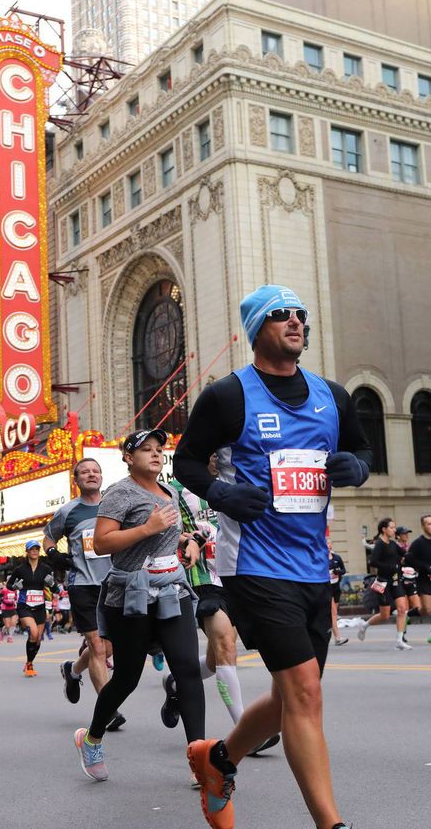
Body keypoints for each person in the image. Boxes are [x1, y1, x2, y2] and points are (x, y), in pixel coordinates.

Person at [174, 284, 371, 829]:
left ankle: (218, 760)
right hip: (254, 565)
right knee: (305, 692)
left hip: (312, 564)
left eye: (300, 315)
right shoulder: (229, 396)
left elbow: (361, 449)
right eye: (281, 316)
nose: (295, 322)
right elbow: (185, 464)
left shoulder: (332, 395)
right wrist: (222, 493)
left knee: (292, 698)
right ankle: (331, 823)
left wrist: (356, 467)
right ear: (256, 328)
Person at [73, 428, 204, 782]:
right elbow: (101, 543)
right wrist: (147, 527)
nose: (156, 454)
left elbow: (170, 534)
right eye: (145, 449)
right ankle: (92, 737)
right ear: (129, 458)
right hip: (129, 597)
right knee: (127, 679)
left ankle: (199, 759)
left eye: (159, 449)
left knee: (188, 671)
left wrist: (187, 542)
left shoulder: (169, 492)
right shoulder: (120, 492)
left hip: (172, 592)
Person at [168, 465, 279, 756]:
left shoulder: (238, 483)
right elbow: (165, 530)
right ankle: (246, 732)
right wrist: (187, 539)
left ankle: (176, 683)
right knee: (225, 644)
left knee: (217, 660)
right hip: (203, 580)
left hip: (236, 577)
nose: (218, 455)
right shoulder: (177, 490)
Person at [49, 458, 125, 732]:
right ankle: (109, 710)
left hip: (115, 582)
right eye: (85, 472)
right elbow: (48, 537)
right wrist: (53, 554)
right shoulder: (68, 511)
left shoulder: (115, 505)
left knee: (110, 646)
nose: (91, 475)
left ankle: (72, 670)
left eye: (96, 471)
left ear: (101, 476)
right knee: (96, 645)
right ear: (76, 479)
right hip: (82, 584)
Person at [355, 518, 411, 650]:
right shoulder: (380, 544)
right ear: (384, 530)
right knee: (384, 615)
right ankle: (364, 625)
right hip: (383, 582)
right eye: (391, 527)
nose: (394, 530)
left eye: (394, 527)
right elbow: (373, 562)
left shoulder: (393, 544)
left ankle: (399, 640)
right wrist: (390, 566)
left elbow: (405, 554)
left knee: (402, 609)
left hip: (395, 581)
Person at [7, 540, 58, 677]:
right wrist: (15, 586)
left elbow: (56, 588)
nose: (34, 551)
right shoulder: (20, 569)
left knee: (38, 638)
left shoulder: (46, 569)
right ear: (27, 551)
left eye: (37, 549)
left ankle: (29, 662)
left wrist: (51, 583)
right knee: (34, 633)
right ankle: (29, 664)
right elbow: (8, 585)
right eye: (32, 549)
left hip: (40, 606)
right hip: (25, 605)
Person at [405, 515, 431, 646]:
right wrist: (424, 567)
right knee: (426, 610)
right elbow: (408, 559)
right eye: (429, 524)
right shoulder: (418, 543)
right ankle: (407, 615)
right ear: (423, 526)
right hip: (424, 580)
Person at [328, 540, 348, 645]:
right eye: (325, 544)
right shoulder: (321, 559)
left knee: (332, 614)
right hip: (326, 589)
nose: (328, 545)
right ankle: (338, 638)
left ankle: (326, 628)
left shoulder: (337, 558)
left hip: (336, 588)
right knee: (334, 613)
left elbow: (344, 570)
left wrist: (338, 572)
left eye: (329, 543)